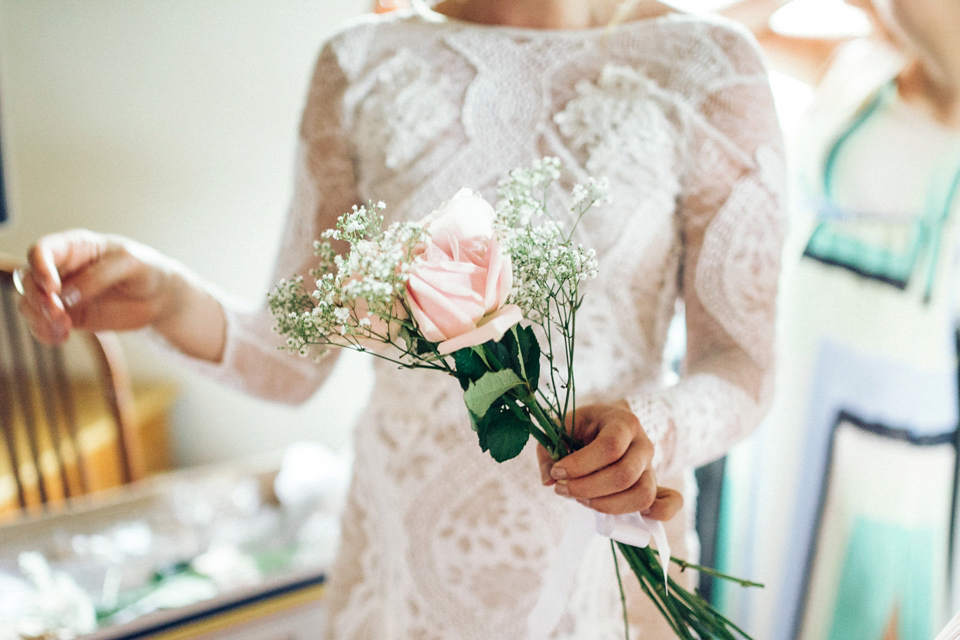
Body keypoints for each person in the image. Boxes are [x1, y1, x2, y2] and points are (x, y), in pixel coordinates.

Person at [13, 0, 786, 637]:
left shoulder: (708, 67)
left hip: (596, 578)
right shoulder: (360, 65)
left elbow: (742, 367)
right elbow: (292, 358)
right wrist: (169, 298)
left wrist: (655, 427)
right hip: (399, 581)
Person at [715, 1, 960, 638]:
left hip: (892, 388)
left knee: (863, 585)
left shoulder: (951, 85)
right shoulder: (853, 61)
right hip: (797, 365)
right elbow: (727, 32)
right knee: (769, 566)